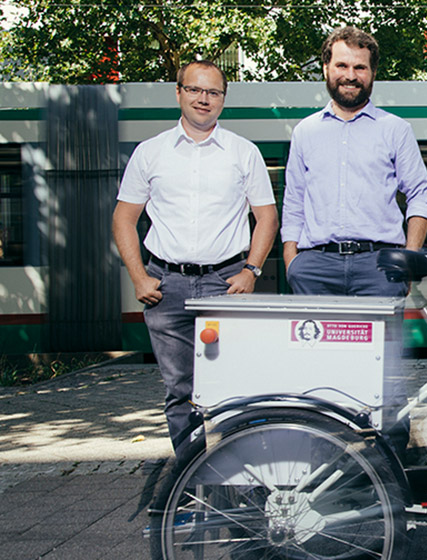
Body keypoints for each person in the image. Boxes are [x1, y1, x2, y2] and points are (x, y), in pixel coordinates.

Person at [112, 60, 278, 454]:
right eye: (195, 90)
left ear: (223, 100)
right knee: (179, 390)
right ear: (179, 93)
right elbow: (124, 218)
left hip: (225, 284)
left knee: (234, 386)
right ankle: (189, 482)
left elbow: (267, 217)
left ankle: (238, 481)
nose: (204, 99)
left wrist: (251, 270)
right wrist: (139, 277)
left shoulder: (244, 152)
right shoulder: (149, 153)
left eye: (213, 92)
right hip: (165, 287)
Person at [280, 26, 427, 297]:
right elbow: (294, 202)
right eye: (342, 65)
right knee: (316, 341)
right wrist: (292, 262)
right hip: (315, 268)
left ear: (373, 73)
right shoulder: (305, 131)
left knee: (381, 342)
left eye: (360, 68)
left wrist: (409, 259)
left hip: (379, 268)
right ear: (326, 68)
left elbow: (420, 195)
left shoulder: (395, 129)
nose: (350, 76)